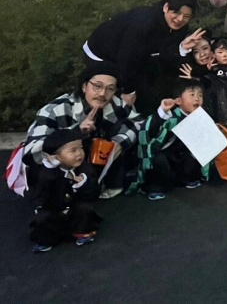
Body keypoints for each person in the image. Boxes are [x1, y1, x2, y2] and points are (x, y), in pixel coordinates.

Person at [23, 63, 141, 198]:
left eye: (110, 89)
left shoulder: (115, 103)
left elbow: (139, 123)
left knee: (123, 127)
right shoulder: (56, 109)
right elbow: (32, 150)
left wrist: (119, 142)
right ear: (84, 86)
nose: (102, 94)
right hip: (59, 171)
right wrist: (76, 131)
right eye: (97, 86)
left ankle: (108, 184)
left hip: (92, 165)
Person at [83, 0, 202, 108]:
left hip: (139, 57)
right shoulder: (144, 23)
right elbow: (127, 58)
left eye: (186, 16)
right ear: (166, 7)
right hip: (102, 54)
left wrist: (181, 48)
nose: (180, 19)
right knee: (110, 94)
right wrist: (128, 91)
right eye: (176, 12)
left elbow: (164, 55)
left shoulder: (181, 28)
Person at [129, 79, 207, 201]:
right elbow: (151, 129)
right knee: (159, 161)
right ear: (178, 101)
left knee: (191, 157)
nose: (197, 99)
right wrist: (162, 112)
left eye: (200, 95)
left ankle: (184, 179)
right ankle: (155, 187)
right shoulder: (171, 116)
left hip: (179, 153)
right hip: (162, 153)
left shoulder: (200, 117)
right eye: (192, 95)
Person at [27, 128, 101, 252]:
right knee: (43, 218)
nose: (79, 154)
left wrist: (83, 182)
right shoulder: (46, 174)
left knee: (85, 209)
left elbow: (94, 193)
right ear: (57, 157)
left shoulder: (85, 169)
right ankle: (47, 240)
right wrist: (39, 206)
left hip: (74, 210)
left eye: (81, 148)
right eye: (73, 150)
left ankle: (82, 232)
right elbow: (40, 194)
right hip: (54, 209)